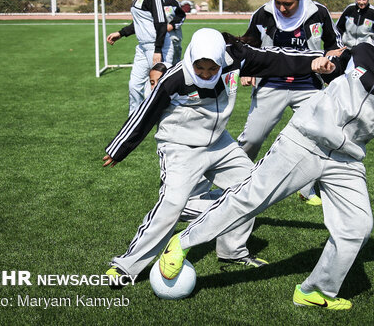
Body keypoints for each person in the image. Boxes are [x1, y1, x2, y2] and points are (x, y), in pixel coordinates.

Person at [158, 13, 374, 310]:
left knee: (357, 227)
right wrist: (327, 66)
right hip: (303, 139)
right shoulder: (364, 51)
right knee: (250, 199)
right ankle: (182, 242)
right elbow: (333, 67)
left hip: (346, 159)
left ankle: (315, 290)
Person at [103, 28, 331, 280]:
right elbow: (146, 115)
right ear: (191, 60)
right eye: (200, 68)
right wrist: (119, 149)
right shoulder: (175, 79)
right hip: (180, 146)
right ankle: (126, 266)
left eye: (213, 69)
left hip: (220, 143)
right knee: (170, 204)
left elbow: (275, 59)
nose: (206, 74)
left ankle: (232, 251)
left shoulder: (235, 59)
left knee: (251, 187)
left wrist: (314, 61)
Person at [237, 0, 344, 206]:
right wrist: (247, 71)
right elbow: (249, 44)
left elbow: (335, 47)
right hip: (271, 84)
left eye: (289, 3)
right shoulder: (263, 15)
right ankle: (234, 179)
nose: (283, 8)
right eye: (279, 2)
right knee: (252, 138)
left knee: (318, 136)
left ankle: (306, 188)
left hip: (308, 85)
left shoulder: (318, 13)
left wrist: (330, 63)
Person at [106, 0, 170, 116]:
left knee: (161, 88)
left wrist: (157, 50)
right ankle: (133, 120)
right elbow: (139, 23)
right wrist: (121, 33)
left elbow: (161, 24)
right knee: (134, 85)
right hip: (142, 48)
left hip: (157, 48)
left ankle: (166, 120)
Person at [153, 0, 186, 65]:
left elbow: (181, 16)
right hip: (155, 39)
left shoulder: (171, 2)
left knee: (174, 65)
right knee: (157, 66)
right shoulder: (148, 2)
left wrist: (172, 25)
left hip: (173, 38)